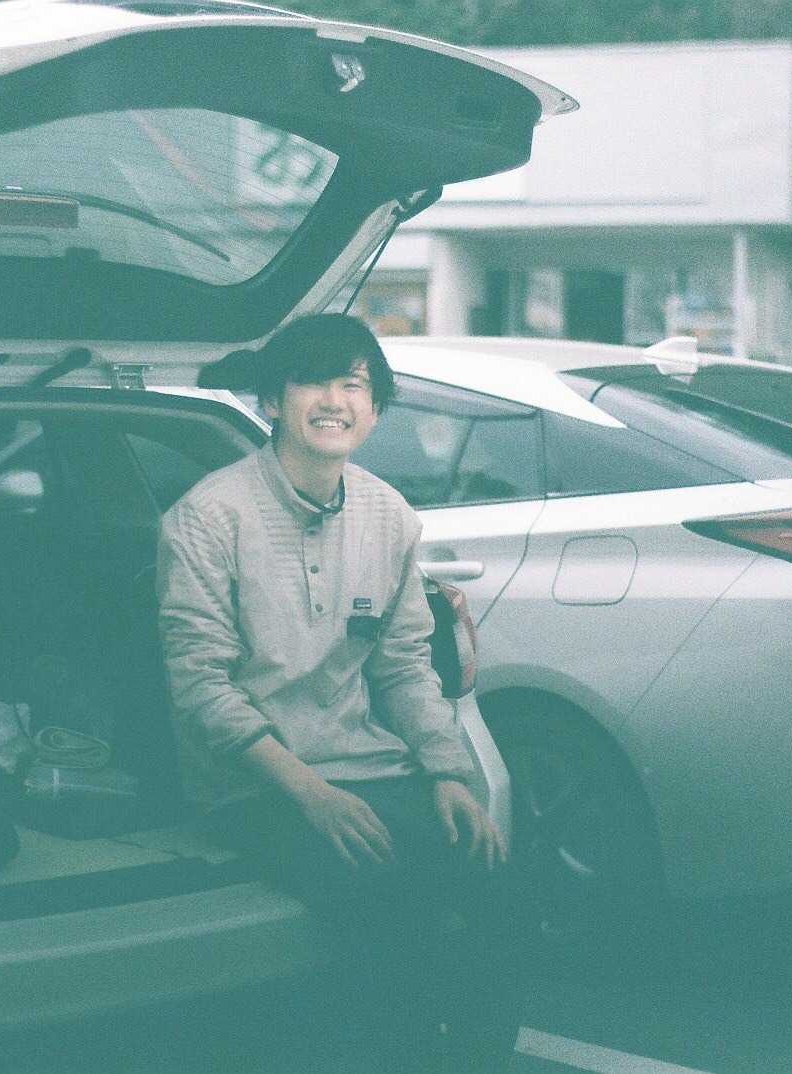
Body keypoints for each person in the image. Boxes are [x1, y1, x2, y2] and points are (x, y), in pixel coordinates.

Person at [157, 313, 527, 1073]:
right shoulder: (206, 517)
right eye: (313, 382)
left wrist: (448, 774)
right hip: (254, 784)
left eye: (353, 384)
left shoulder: (389, 515)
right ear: (272, 401)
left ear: (376, 407)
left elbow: (403, 667)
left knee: (499, 884)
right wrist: (312, 795)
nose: (334, 400)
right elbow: (201, 685)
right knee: (385, 905)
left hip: (369, 767)